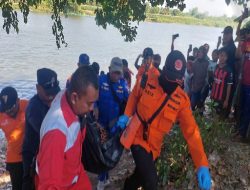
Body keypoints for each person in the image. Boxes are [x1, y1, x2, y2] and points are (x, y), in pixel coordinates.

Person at [117, 50, 211, 190]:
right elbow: (134, 95)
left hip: (154, 146)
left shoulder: (181, 100)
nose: (172, 84)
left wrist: (202, 164)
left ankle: (128, 186)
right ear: (164, 69)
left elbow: (192, 132)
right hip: (137, 136)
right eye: (170, 78)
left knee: (140, 177)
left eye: (177, 80)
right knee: (151, 182)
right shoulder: (148, 78)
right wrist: (126, 114)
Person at [36, 66, 99, 189]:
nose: (92, 108)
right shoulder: (56, 133)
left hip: (76, 173)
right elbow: (49, 186)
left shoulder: (67, 95)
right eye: (89, 103)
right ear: (74, 97)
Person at [22, 68, 61, 190]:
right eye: (48, 92)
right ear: (38, 88)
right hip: (33, 158)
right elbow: (48, 133)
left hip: (49, 156)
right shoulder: (33, 108)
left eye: (54, 92)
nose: (52, 96)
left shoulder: (56, 98)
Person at [96, 57, 129, 190]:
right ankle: (101, 180)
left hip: (115, 124)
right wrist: (94, 106)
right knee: (101, 151)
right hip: (100, 124)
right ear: (109, 69)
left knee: (109, 152)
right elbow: (92, 96)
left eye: (118, 73)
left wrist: (126, 118)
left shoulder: (123, 84)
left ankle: (105, 178)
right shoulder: (101, 80)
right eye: (114, 72)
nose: (116, 75)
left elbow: (130, 102)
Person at [0, 86, 28, 190]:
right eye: (6, 109)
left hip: (30, 155)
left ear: (18, 100)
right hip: (13, 159)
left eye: (11, 108)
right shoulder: (1, 114)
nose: (9, 112)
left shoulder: (27, 105)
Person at [234, 27, 250, 142]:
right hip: (243, 82)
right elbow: (238, 56)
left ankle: (243, 133)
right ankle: (240, 130)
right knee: (240, 106)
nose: (247, 35)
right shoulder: (247, 44)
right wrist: (240, 41)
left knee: (247, 109)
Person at [210, 48, 233, 117]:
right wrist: (211, 93)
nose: (222, 58)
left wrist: (226, 100)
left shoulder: (229, 70)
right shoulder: (216, 67)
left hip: (222, 98)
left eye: (224, 56)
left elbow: (229, 86)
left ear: (227, 58)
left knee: (219, 117)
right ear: (218, 56)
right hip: (214, 96)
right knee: (213, 113)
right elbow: (214, 81)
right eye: (221, 55)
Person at [190, 46, 209, 111]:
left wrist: (204, 88)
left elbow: (207, 77)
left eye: (202, 52)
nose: (200, 54)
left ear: (204, 53)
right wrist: (192, 87)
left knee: (200, 106)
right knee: (192, 105)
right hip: (195, 88)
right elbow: (192, 76)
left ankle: (199, 117)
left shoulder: (207, 63)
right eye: (199, 52)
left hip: (203, 89)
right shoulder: (194, 63)